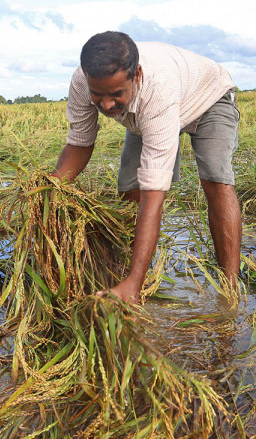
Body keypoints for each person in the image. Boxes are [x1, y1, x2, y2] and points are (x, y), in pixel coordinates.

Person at [52, 31, 242, 304]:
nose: (106, 105)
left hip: (208, 98)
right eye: (98, 95)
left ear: (136, 74)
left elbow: (154, 199)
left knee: (216, 179)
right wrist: (49, 189)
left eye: (116, 94)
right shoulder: (82, 82)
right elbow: (80, 144)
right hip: (153, 109)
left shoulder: (157, 91)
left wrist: (134, 284)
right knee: (130, 189)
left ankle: (229, 288)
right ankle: (128, 275)